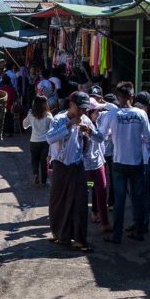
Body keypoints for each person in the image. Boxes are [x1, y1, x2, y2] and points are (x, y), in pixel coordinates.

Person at [97, 82, 150, 243]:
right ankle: (139, 232)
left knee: (119, 201)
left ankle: (116, 236)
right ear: (132, 96)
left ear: (118, 97)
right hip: (136, 163)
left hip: (119, 163)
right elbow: (148, 138)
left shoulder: (111, 115)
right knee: (138, 199)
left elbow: (102, 136)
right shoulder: (141, 114)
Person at [46, 92, 97, 252]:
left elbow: (100, 138)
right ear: (71, 105)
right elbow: (49, 138)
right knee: (58, 202)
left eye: (84, 109)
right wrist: (69, 124)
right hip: (60, 166)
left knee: (80, 202)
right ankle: (60, 233)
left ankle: (80, 239)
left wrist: (89, 130)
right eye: (80, 108)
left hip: (77, 166)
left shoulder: (86, 120)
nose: (82, 111)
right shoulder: (58, 119)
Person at [134, 91, 150, 235]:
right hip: (135, 159)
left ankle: (144, 223)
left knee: (143, 194)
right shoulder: (138, 116)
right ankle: (136, 221)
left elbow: (146, 139)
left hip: (145, 160)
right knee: (134, 194)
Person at [85, 99, 111, 234]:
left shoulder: (98, 123)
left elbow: (113, 108)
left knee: (101, 192)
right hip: (86, 169)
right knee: (87, 190)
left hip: (99, 165)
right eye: (97, 111)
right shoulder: (82, 123)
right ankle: (82, 221)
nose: (99, 113)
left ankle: (104, 223)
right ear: (90, 112)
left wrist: (104, 104)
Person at [23, 95, 54, 186]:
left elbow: (24, 125)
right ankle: (43, 181)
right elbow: (52, 129)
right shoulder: (49, 115)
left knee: (34, 159)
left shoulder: (31, 114)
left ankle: (36, 174)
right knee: (44, 161)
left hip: (34, 140)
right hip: (45, 141)